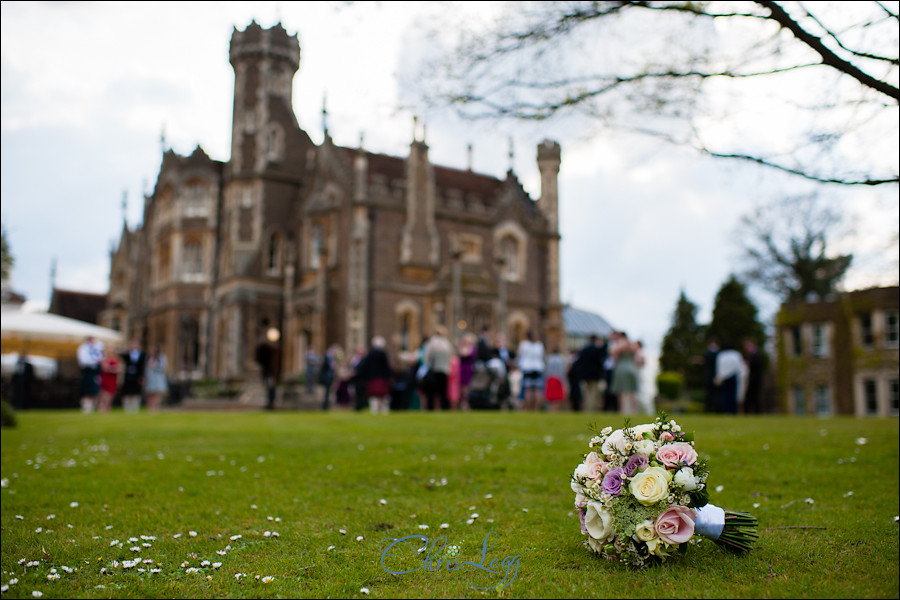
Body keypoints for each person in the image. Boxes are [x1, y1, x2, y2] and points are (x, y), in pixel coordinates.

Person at [357, 336, 393, 414]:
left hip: (373, 377)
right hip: (382, 377)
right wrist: (389, 376)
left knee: (374, 394)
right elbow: (386, 366)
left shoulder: (371, 354)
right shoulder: (383, 353)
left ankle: (375, 409)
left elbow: (365, 366)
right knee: (382, 394)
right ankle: (384, 410)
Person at [423, 325, 454, 411]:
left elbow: (427, 357)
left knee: (431, 392)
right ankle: (445, 408)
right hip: (444, 370)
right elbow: (450, 356)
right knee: (443, 391)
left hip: (434, 369)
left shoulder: (432, 342)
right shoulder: (447, 343)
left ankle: (431, 408)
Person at [610, 331, 641, 415]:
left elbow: (614, 356)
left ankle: (623, 411)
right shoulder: (632, 345)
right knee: (632, 392)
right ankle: (634, 411)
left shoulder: (620, 343)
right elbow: (638, 360)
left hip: (622, 368)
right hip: (631, 368)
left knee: (621, 391)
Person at [577, 334, 608, 412]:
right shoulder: (596, 350)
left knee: (586, 393)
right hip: (594, 375)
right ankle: (591, 409)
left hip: (585, 375)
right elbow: (600, 362)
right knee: (593, 393)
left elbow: (579, 362)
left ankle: (586, 409)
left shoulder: (584, 350)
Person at [714, 341, 746, 415]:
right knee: (732, 394)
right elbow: (740, 366)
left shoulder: (721, 355)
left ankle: (727, 411)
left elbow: (719, 366)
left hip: (725, 377)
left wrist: (719, 376)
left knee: (726, 395)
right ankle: (732, 411)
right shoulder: (736, 354)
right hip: (733, 376)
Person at [517, 330, 546, 411]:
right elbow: (542, 357)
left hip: (527, 369)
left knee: (528, 390)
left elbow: (520, 356)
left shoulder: (524, 345)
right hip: (538, 368)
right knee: (537, 390)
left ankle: (528, 409)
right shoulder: (539, 345)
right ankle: (536, 409)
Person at [77, 335, 104, 413]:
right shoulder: (83, 348)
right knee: (87, 391)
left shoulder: (97, 347)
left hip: (95, 371)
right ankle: (86, 407)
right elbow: (84, 361)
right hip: (87, 371)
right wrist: (95, 361)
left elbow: (101, 357)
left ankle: (92, 407)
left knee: (94, 391)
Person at [120, 339, 145, 413]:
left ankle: (135, 408)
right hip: (128, 377)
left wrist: (142, 377)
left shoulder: (142, 355)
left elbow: (142, 367)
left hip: (137, 377)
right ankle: (127, 408)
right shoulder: (127, 354)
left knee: (136, 392)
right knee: (127, 392)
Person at [144, 344, 168, 412]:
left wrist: (155, 366)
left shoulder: (161, 357)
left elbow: (163, 367)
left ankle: (156, 408)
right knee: (150, 393)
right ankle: (150, 408)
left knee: (157, 393)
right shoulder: (148, 357)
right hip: (149, 378)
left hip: (157, 378)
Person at [742, 339, 764, 414]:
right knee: (750, 396)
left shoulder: (756, 355)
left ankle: (756, 412)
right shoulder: (751, 355)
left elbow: (756, 366)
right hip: (751, 378)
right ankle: (749, 412)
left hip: (755, 379)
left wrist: (748, 364)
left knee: (754, 396)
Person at [544, 347, 567, 412]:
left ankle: (550, 411)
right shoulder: (561, 359)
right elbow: (562, 372)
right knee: (557, 398)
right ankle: (555, 411)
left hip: (550, 379)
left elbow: (546, 371)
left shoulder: (549, 359)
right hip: (558, 379)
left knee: (551, 397)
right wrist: (564, 383)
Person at [98, 347, 120, 413]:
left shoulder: (116, 360)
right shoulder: (105, 360)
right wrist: (113, 369)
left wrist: (113, 369)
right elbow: (105, 369)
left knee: (111, 394)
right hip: (106, 378)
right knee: (105, 393)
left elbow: (118, 369)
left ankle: (108, 407)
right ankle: (102, 407)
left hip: (113, 378)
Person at [701, 338, 720, 413]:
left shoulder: (711, 354)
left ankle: (713, 409)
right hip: (711, 376)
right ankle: (710, 409)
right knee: (711, 394)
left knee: (713, 394)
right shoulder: (716, 354)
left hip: (713, 376)